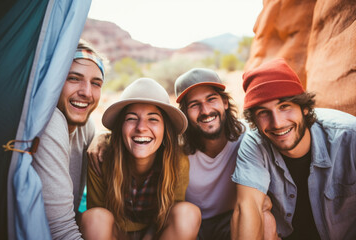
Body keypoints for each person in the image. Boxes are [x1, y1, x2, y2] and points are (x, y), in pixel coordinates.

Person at [231, 58, 356, 239]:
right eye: (263, 112)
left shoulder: (349, 135)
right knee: (262, 217)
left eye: (284, 107)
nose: (277, 123)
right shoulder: (254, 143)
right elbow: (247, 208)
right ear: (255, 121)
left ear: (304, 108)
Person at [81, 78, 201, 240]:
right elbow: (98, 215)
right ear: (120, 126)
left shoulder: (177, 159)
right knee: (93, 218)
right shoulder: (101, 156)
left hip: (157, 233)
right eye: (131, 118)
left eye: (153, 119)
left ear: (165, 129)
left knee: (188, 213)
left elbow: (172, 211)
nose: (141, 127)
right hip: (116, 234)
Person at [174, 68, 277, 240]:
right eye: (194, 105)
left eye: (211, 99)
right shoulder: (177, 149)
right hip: (192, 225)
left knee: (264, 212)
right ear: (184, 113)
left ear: (225, 103)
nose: (205, 110)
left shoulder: (248, 137)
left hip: (234, 221)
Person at [32, 40, 105, 239]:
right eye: (74, 78)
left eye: (96, 83)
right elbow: (60, 231)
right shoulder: (50, 120)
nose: (86, 92)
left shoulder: (87, 127)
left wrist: (102, 137)